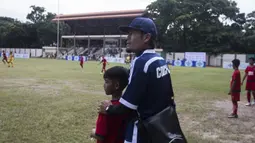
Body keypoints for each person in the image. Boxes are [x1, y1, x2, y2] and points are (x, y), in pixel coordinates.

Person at [98, 17, 186, 143]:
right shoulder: (160, 60)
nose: (127, 38)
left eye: (132, 33)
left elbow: (126, 108)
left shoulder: (141, 62)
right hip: (159, 128)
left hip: (141, 131)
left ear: (146, 37)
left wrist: (107, 108)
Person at [91, 66, 129, 143]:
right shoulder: (127, 106)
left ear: (116, 85)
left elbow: (100, 136)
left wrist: (92, 132)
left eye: (107, 82)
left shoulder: (106, 108)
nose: (104, 85)